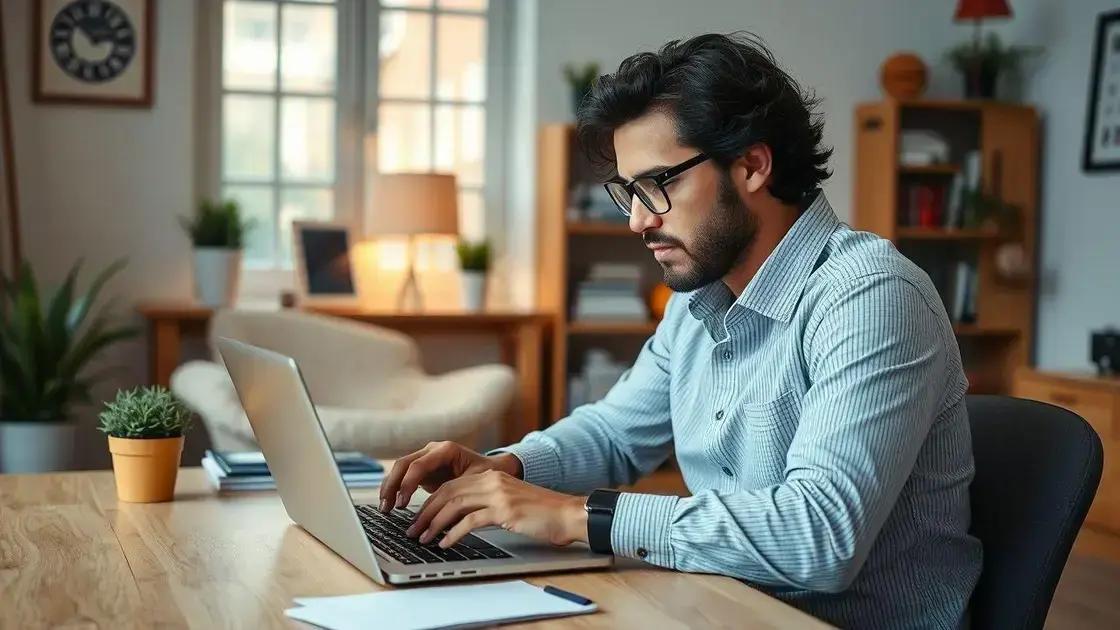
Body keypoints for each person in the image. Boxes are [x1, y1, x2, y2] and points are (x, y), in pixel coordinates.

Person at [378, 32, 981, 629]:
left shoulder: (869, 297)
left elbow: (819, 535)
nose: (638, 220)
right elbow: (617, 436)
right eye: (627, 192)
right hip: (723, 606)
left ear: (751, 165)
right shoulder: (698, 302)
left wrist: (578, 516)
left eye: (658, 185)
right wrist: (507, 467)